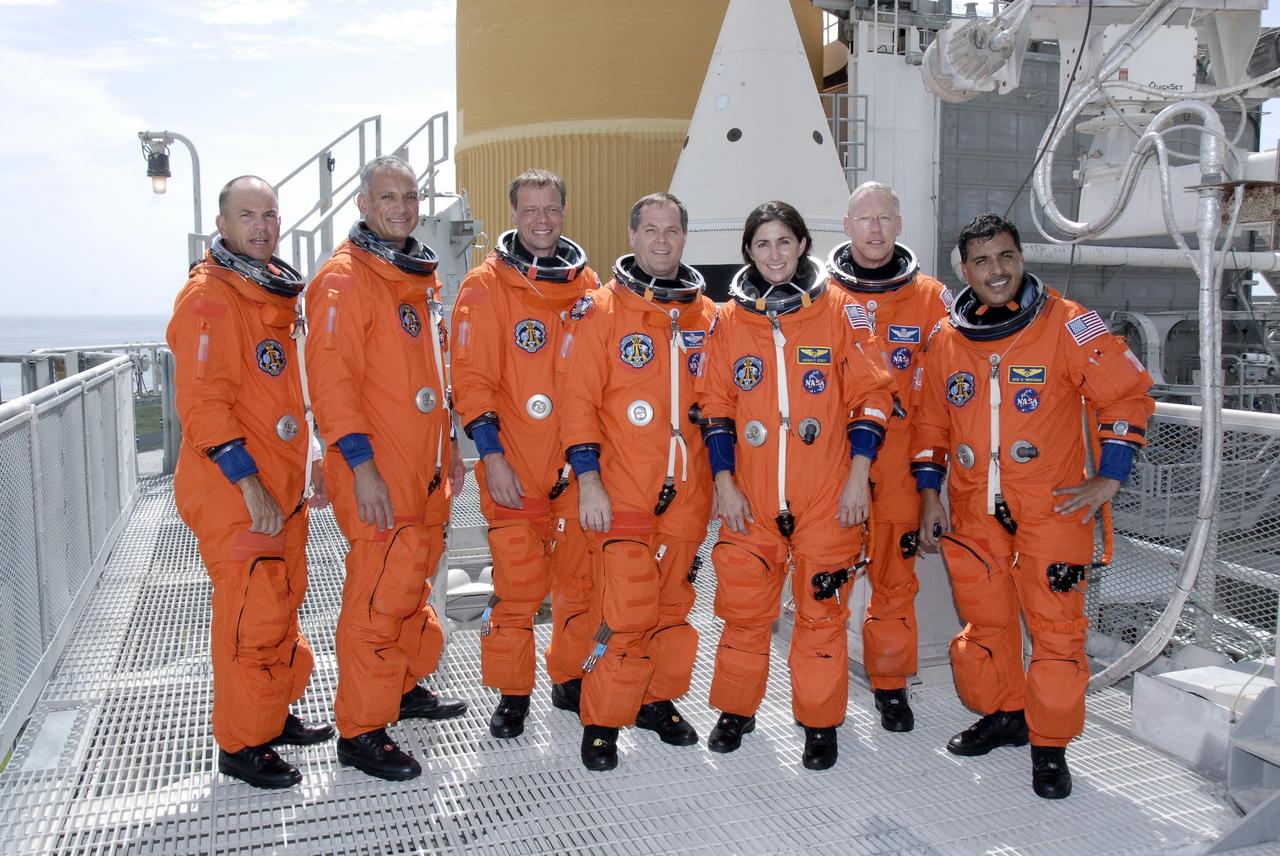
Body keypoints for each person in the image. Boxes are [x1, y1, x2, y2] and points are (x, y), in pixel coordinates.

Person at [911, 212, 1154, 799]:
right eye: (982, 261)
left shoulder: (1069, 326)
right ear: (963, 270)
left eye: (1005, 257)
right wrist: (929, 498)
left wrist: (1110, 477)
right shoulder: (947, 340)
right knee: (988, 625)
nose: (996, 271)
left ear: (1021, 259)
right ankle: (1006, 714)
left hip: (1054, 509)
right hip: (973, 512)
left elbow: (1126, 394)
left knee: (1055, 632)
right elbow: (930, 426)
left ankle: (1050, 746)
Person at [701, 201, 894, 771]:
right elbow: (714, 409)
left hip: (828, 496)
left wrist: (859, 477)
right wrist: (725, 483)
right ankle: (737, 710)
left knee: (821, 617)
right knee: (744, 614)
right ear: (748, 253)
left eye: (785, 241)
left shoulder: (843, 313)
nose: (774, 254)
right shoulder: (728, 321)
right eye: (762, 244)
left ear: (804, 244)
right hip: (753, 501)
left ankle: (819, 720)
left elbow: (872, 399)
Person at [168, 175, 334, 789]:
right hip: (237, 494)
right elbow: (204, 407)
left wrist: (309, 457)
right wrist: (250, 485)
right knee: (251, 615)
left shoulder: (267, 297)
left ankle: (273, 711)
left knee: (283, 602)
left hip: (282, 486)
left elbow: (286, 396)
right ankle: (241, 743)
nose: (262, 226)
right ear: (223, 225)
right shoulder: (210, 300)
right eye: (247, 215)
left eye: (269, 214)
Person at [305, 155, 467, 782]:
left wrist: (448, 446)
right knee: (376, 598)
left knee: (410, 583)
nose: (402, 207)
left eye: (410, 196)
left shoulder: (414, 278)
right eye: (388, 197)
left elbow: (435, 377)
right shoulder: (344, 282)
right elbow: (332, 385)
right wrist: (360, 467)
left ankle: (399, 688)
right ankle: (362, 730)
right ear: (363, 205)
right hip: (377, 471)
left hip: (423, 469)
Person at [557, 192, 717, 771]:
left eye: (672, 230)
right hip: (622, 490)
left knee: (672, 607)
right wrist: (590, 483)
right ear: (632, 236)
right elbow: (576, 406)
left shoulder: (709, 317)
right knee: (624, 610)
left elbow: (723, 407)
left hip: (688, 494)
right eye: (650, 229)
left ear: (684, 237)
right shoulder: (600, 312)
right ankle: (601, 720)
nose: (661, 241)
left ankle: (657, 700)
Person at [451, 169, 600, 740]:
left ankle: (568, 677)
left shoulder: (588, 286)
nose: (541, 219)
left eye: (551, 208)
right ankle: (514, 694)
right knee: (516, 589)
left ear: (565, 211)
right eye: (530, 209)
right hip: (513, 466)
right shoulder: (485, 289)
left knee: (579, 584)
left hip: (577, 470)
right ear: (513, 215)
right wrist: (491, 457)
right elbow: (471, 383)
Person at [826, 182, 952, 733]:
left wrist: (931, 485)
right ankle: (821, 694)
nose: (874, 230)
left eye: (884, 218)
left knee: (895, 585)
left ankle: (891, 686)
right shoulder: (820, 296)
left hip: (900, 469)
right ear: (846, 226)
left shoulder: (931, 300)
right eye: (864, 219)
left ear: (899, 225)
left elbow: (946, 395)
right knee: (826, 584)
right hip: (835, 469)